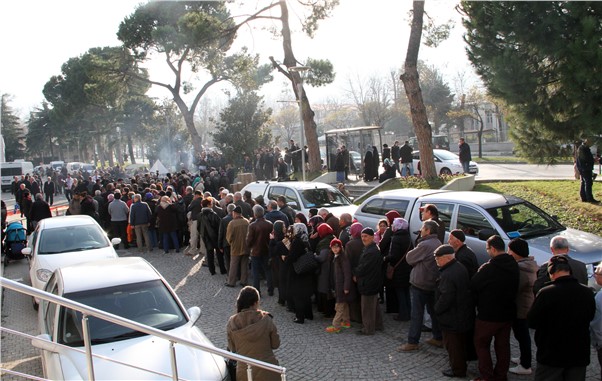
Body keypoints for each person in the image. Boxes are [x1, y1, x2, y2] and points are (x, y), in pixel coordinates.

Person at [528, 255, 595, 381]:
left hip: (551, 353)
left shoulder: (546, 293)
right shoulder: (587, 292)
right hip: (578, 352)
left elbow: (532, 321)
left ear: (551, 273)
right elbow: (590, 316)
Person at [471, 235, 519, 381]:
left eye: (487, 249)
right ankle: (501, 375)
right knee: (503, 346)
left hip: (489, 314)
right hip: (507, 313)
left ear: (492, 248)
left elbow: (474, 285)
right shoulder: (514, 265)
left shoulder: (489, 268)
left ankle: (487, 376)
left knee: (481, 343)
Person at [398, 220, 442, 351]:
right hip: (432, 283)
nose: (420, 230)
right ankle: (438, 337)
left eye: (423, 228)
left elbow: (409, 258)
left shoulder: (425, 245)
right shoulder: (438, 242)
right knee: (433, 312)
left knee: (417, 314)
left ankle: (413, 341)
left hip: (421, 283)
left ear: (428, 231)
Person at [433, 244, 474, 378]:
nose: (436, 262)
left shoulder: (447, 274)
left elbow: (446, 297)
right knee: (459, 343)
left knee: (453, 346)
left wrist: (437, 309)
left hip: (452, 316)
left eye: (438, 259)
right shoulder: (459, 267)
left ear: (446, 258)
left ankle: (457, 370)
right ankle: (460, 366)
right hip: (461, 313)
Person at [226, 286, 280, 381]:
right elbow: (276, 344)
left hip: (245, 373)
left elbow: (232, 349)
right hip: (268, 370)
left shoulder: (232, 322)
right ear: (255, 303)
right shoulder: (266, 319)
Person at [507, 238, 537, 376]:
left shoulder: (522, 269)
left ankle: (525, 365)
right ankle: (523, 359)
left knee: (522, 336)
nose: (508, 252)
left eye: (510, 250)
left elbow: (515, 288)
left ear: (516, 252)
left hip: (522, 307)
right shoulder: (529, 264)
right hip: (525, 305)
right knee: (522, 335)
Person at [353, 227, 384, 335]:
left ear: (372, 237)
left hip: (369, 282)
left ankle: (368, 329)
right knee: (374, 306)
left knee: (367, 307)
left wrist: (355, 272)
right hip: (372, 281)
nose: (363, 238)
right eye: (362, 236)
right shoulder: (371, 248)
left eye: (366, 236)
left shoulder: (371, 251)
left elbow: (364, 267)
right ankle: (378, 325)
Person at [384, 217, 413, 322]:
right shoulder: (408, 237)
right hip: (406, 268)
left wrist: (385, 258)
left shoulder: (396, 238)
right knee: (406, 292)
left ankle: (403, 314)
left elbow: (394, 256)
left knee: (400, 292)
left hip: (398, 270)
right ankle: (408, 313)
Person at [326, 238, 355, 333]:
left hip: (342, 286)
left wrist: (346, 287)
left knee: (339, 307)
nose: (335, 249)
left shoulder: (343, 258)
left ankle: (336, 326)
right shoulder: (335, 257)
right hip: (338, 286)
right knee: (344, 304)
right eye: (333, 247)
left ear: (340, 247)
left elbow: (347, 274)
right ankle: (346, 322)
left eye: (337, 247)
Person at [287, 223, 315, 323]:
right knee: (306, 295)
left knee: (298, 295)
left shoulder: (297, 241)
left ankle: (300, 317)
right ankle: (309, 314)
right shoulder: (306, 239)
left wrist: (285, 258)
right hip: (307, 270)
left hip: (298, 271)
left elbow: (292, 257)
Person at [247, 204, 274, 296]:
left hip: (255, 251)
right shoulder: (270, 224)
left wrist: (249, 246)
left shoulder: (252, 225)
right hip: (266, 250)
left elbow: (249, 240)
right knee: (268, 270)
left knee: (255, 272)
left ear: (255, 214)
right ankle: (271, 290)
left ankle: (257, 292)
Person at [199, 198, 227, 275]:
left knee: (209, 254)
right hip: (216, 236)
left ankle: (212, 271)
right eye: (211, 204)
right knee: (219, 254)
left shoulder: (200, 215)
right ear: (208, 205)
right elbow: (219, 226)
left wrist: (202, 234)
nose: (212, 205)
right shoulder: (213, 214)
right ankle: (222, 270)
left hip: (206, 237)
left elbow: (198, 227)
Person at [225, 206, 250, 287]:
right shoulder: (246, 222)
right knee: (244, 265)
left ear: (235, 213)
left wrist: (231, 243)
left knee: (233, 265)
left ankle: (231, 282)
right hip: (246, 246)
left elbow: (229, 237)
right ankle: (244, 281)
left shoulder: (232, 223)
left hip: (236, 247)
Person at [576, 137, 599, 203]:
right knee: (588, 182)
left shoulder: (584, 148)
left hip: (584, 167)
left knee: (584, 182)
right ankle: (589, 198)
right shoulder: (583, 148)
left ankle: (584, 197)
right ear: (587, 141)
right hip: (585, 168)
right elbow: (586, 159)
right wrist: (593, 160)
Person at [591, 265, 602, 380]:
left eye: (596, 274)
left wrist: (597, 343)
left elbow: (598, 324)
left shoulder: (599, 297)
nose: (594, 277)